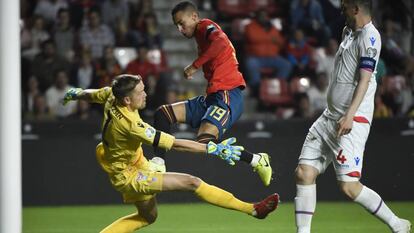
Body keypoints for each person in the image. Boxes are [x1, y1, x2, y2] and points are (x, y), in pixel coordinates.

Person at [62, 74, 279, 233]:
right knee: (193, 182)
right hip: (129, 174)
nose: (145, 94)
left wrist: (75, 94)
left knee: (148, 217)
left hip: (130, 161)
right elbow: (175, 144)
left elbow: (92, 95)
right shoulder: (132, 125)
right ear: (127, 100)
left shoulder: (112, 95)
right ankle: (253, 209)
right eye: (140, 92)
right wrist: (212, 148)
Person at [294, 1, 412, 233]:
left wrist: (349, 116)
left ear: (356, 9)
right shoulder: (348, 31)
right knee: (303, 172)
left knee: (349, 187)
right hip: (329, 117)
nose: (341, 11)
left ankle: (398, 224)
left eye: (345, 7)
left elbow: (365, 80)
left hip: (351, 121)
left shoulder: (370, 38)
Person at [151, 1, 273, 186]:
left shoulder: (205, 26)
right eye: (177, 25)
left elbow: (221, 43)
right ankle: (159, 163)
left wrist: (195, 65)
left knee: (204, 142)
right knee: (163, 114)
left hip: (227, 94)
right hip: (212, 97)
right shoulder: (201, 35)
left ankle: (256, 160)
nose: (180, 29)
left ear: (194, 16)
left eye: (182, 23)